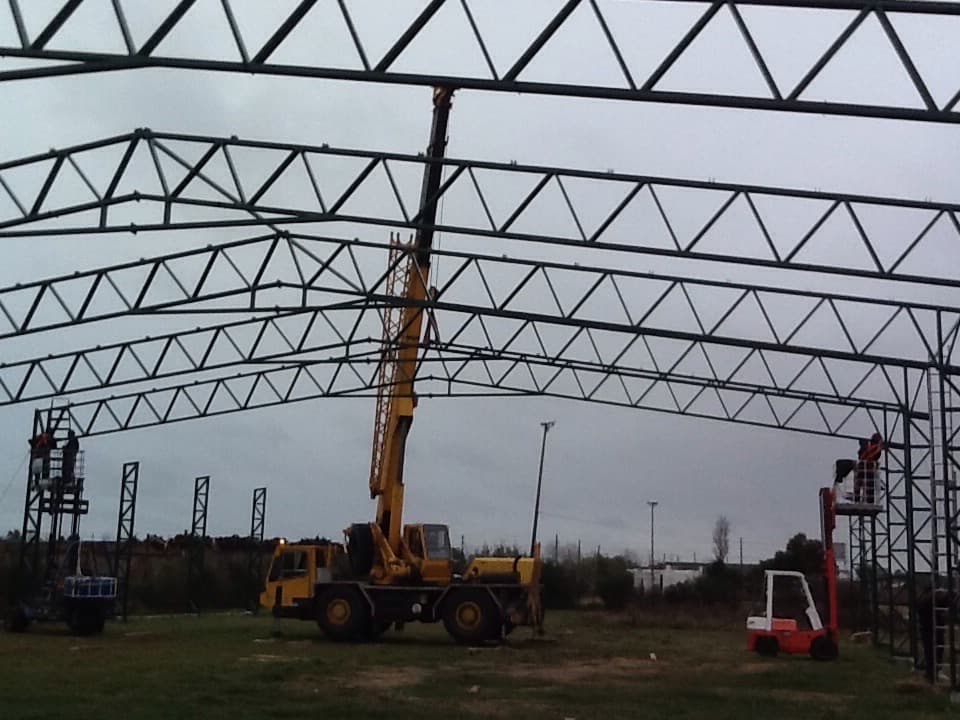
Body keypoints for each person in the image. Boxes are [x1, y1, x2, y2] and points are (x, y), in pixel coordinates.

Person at [855, 433, 884, 504]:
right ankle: (867, 501)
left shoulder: (868, 448)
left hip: (864, 467)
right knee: (869, 485)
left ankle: (857, 499)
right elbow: (872, 456)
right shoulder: (873, 448)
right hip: (867, 468)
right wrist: (879, 447)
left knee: (860, 484)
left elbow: (866, 456)